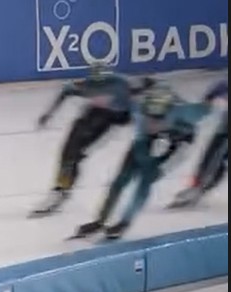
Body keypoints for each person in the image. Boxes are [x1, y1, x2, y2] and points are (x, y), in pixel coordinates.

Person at [72, 85, 212, 241]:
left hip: (175, 145)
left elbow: (184, 150)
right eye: (149, 115)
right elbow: (139, 140)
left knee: (145, 182)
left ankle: (124, 222)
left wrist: (162, 168)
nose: (153, 121)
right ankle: (101, 220)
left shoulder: (185, 116)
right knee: (121, 179)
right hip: (147, 139)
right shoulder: (140, 110)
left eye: (157, 118)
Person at [31, 63, 154, 217]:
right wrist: (49, 114)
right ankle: (61, 188)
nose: (101, 88)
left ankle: (62, 188)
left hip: (112, 118)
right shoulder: (87, 86)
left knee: (75, 154)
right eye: (98, 85)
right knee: (70, 152)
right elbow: (66, 90)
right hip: (95, 115)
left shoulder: (122, 83)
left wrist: (141, 123)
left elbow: (147, 85)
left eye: (104, 84)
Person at [169, 78, 227, 208]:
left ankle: (199, 188)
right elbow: (215, 91)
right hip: (223, 132)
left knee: (215, 160)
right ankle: (198, 188)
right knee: (212, 159)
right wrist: (209, 98)